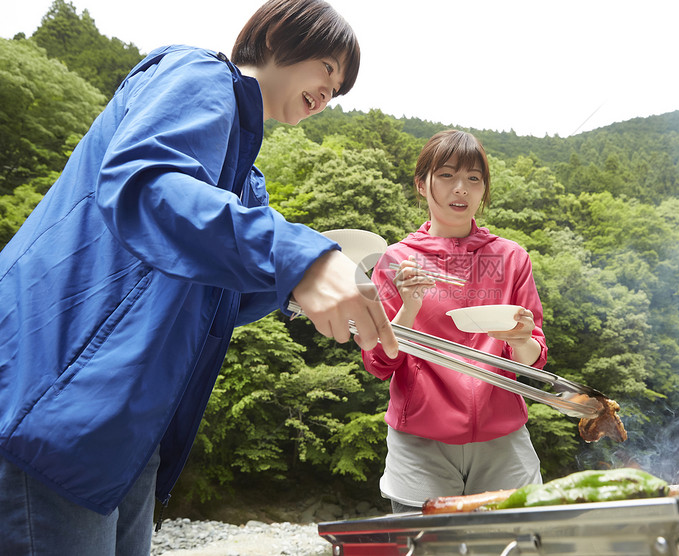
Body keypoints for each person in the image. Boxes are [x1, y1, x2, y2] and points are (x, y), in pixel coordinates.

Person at [0, 1, 397, 554]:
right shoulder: (198, 72)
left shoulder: (244, 178)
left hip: (130, 429)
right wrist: (297, 259)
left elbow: (223, 301)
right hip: (53, 396)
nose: (331, 93)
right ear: (281, 35)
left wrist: (306, 288)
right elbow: (147, 183)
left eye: (341, 88)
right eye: (329, 69)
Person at [361, 130, 547, 513]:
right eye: (446, 175)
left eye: (473, 179)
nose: (460, 189)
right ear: (422, 183)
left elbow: (533, 360)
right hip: (420, 442)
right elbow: (379, 362)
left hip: (503, 441)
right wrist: (408, 309)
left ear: (484, 190)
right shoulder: (397, 262)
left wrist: (522, 338)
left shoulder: (512, 259)